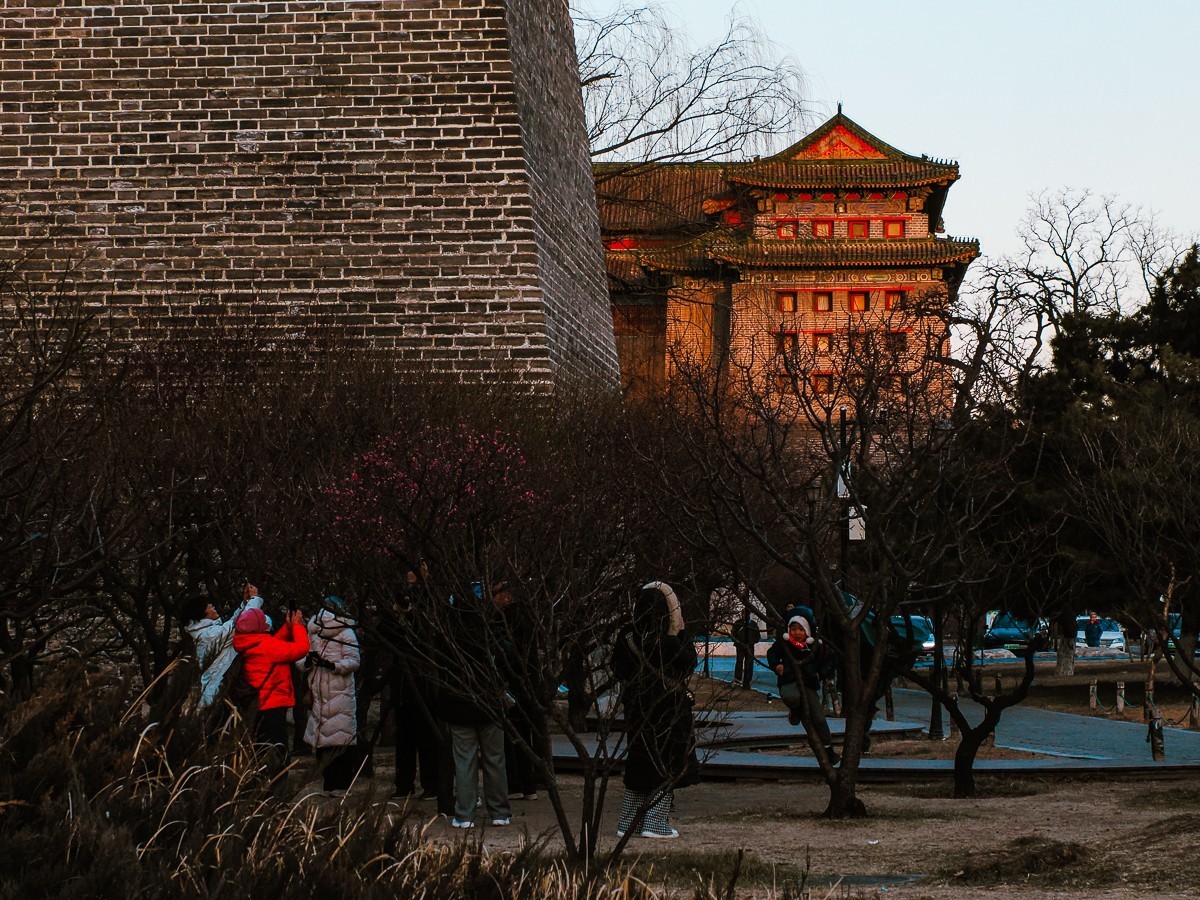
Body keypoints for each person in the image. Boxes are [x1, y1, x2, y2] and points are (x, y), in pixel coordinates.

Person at [612, 581, 699, 840]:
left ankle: (628, 821)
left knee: (638, 765)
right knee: (667, 764)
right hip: (669, 709)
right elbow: (688, 665)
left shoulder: (627, 637)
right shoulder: (669, 642)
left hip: (636, 709)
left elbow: (618, 669)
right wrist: (680, 633)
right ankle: (655, 822)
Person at [440, 582, 512, 829]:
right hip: (489, 702)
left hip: (458, 703)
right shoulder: (489, 628)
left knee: (464, 761)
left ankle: (465, 813)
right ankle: (499, 811)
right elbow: (506, 656)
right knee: (495, 759)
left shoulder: (447, 631)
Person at [231, 606, 309, 758]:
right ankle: (276, 779)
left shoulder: (250, 643)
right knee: (277, 751)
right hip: (272, 706)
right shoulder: (268, 648)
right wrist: (298, 626)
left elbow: (273, 643)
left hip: (257, 704)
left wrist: (288, 627)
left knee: (259, 748)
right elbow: (301, 648)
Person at [302, 596, 363, 793]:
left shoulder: (316, 632)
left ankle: (332, 783)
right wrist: (318, 663)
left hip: (330, 689)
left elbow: (301, 659)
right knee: (336, 739)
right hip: (335, 690)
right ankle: (338, 784)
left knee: (328, 740)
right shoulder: (345, 632)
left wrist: (326, 664)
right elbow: (354, 661)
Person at [766, 609, 839, 764]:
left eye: (801, 629)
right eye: (793, 629)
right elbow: (771, 654)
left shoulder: (815, 647)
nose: (797, 633)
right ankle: (796, 711)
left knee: (819, 718)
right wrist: (777, 666)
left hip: (809, 683)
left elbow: (831, 660)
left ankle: (828, 748)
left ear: (808, 630)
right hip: (789, 680)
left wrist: (820, 674)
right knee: (790, 696)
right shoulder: (784, 644)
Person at [182, 582, 264, 709]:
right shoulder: (210, 635)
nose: (213, 607)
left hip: (214, 693)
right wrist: (254, 599)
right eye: (209, 606)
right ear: (202, 614)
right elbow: (241, 625)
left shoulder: (206, 633)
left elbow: (233, 624)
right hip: (215, 696)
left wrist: (245, 604)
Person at [731, 611, 761, 690]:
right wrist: (738, 642)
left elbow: (757, 636)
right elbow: (733, 633)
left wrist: (752, 642)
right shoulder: (738, 623)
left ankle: (747, 680)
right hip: (740, 646)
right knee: (739, 662)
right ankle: (738, 679)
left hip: (750, 646)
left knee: (749, 663)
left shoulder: (753, 624)